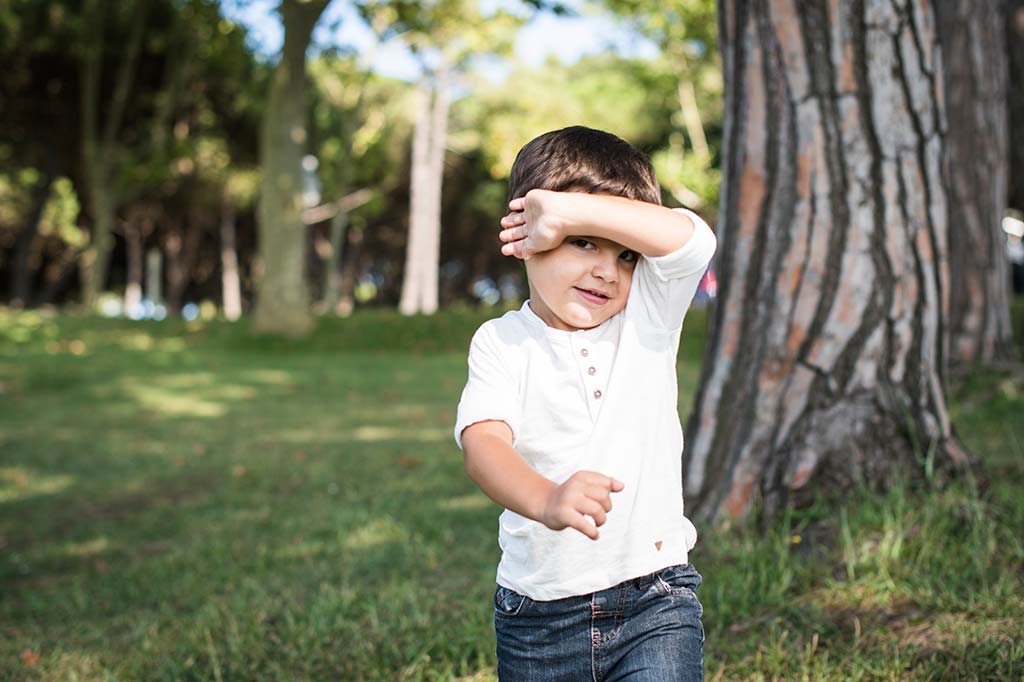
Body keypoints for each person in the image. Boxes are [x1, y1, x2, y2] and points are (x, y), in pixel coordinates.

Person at [453, 126, 717, 681]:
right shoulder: (502, 341)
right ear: (525, 234)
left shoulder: (647, 315)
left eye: (625, 256)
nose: (607, 271)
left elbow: (694, 242)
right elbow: (483, 445)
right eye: (583, 243)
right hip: (539, 617)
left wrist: (570, 213)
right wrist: (548, 499)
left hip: (656, 597)